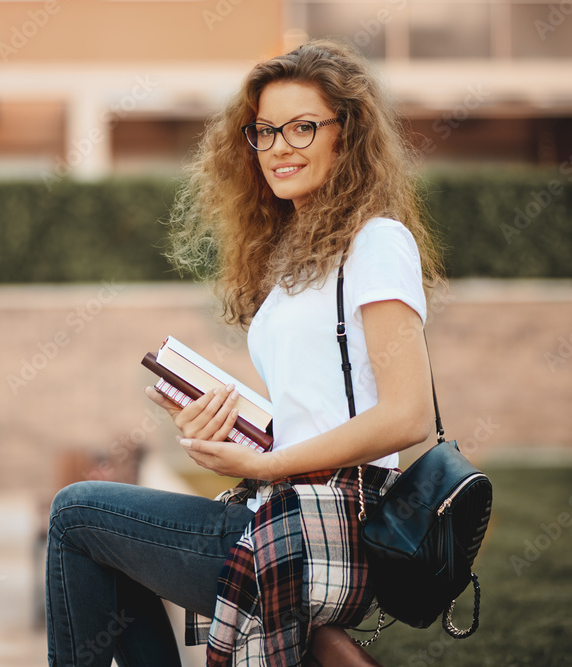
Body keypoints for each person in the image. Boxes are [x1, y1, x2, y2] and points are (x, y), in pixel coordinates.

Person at [46, 38, 443, 666]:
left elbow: (407, 416)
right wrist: (229, 432)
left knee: (75, 514)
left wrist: (265, 467)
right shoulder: (292, 257)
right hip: (280, 509)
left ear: (349, 134)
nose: (280, 146)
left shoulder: (377, 241)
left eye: (303, 127)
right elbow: (318, 410)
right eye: (264, 131)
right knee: (102, 543)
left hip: (331, 526)